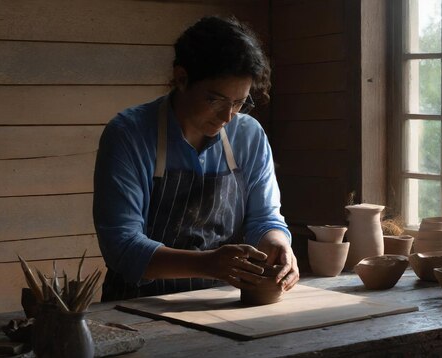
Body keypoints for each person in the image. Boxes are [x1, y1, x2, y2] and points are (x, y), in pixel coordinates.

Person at [93, 16, 299, 301]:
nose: (228, 116)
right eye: (215, 100)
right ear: (181, 78)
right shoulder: (130, 134)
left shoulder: (248, 135)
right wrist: (207, 264)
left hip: (219, 301)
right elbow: (121, 245)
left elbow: (263, 218)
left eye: (239, 102)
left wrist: (278, 245)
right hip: (138, 306)